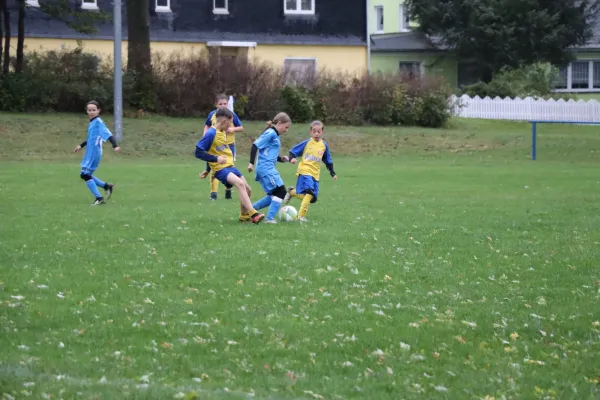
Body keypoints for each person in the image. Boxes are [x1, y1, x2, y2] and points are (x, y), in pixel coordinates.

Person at [195, 108, 264, 224]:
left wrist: (207, 169)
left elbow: (212, 150)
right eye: (229, 123)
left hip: (230, 166)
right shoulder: (211, 133)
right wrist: (216, 159)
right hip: (220, 169)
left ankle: (243, 216)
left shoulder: (222, 132)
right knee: (240, 183)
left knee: (248, 190)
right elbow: (198, 151)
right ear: (223, 122)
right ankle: (253, 213)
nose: (230, 127)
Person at [283, 120, 337, 222]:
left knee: (312, 198)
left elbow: (328, 160)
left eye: (319, 131)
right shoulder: (307, 143)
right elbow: (293, 151)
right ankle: (300, 216)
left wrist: (332, 172)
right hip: (305, 171)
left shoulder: (324, 146)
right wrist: (292, 158)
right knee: (309, 192)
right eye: (314, 131)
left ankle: (292, 192)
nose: (316, 133)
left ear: (322, 132)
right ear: (310, 132)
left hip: (315, 174)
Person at [248, 112, 295, 224]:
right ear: (279, 123)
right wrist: (251, 163)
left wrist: (282, 159)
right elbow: (255, 145)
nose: (286, 130)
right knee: (281, 192)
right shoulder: (271, 133)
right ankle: (269, 219)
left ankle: (249, 210)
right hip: (266, 169)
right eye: (286, 127)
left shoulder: (274, 135)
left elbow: (268, 153)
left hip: (266, 168)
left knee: (273, 195)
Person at [74, 100, 120, 206]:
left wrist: (115, 146)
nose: (91, 112)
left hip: (94, 152)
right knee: (85, 174)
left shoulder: (98, 122)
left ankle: (99, 198)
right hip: (90, 152)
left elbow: (108, 134)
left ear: (98, 110)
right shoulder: (92, 123)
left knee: (85, 175)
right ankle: (106, 186)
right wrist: (80, 146)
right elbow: (90, 138)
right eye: (89, 110)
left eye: (93, 110)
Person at [199, 94, 244, 201]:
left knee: (228, 169)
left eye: (225, 104)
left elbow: (241, 127)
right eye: (220, 104)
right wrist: (205, 134)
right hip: (215, 146)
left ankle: (228, 188)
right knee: (215, 167)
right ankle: (213, 193)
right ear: (216, 105)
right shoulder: (212, 115)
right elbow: (207, 125)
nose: (223, 106)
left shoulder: (231, 115)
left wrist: (233, 129)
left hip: (229, 146)